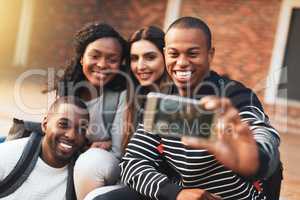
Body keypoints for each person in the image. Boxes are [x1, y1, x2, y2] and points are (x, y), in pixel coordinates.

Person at [99, 17, 281, 200]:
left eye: (192, 54)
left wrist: (255, 158)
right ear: (165, 54)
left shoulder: (236, 96)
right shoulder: (164, 102)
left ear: (210, 54)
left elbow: (263, 135)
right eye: (174, 54)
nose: (182, 62)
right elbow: (133, 163)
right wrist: (176, 193)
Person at [83, 26, 171, 200]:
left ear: (166, 57)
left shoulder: (173, 99)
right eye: (134, 58)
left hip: (164, 185)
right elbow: (118, 153)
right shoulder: (129, 97)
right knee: (92, 163)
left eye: (150, 57)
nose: (140, 66)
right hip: (130, 177)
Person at [51, 22, 128, 200]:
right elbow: (54, 135)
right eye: (95, 55)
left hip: (103, 169)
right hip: (70, 159)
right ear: (81, 58)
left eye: (112, 59)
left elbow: (117, 152)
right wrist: (85, 147)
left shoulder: (121, 95)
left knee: (92, 160)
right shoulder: (66, 89)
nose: (102, 64)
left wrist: (89, 151)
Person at [0, 96, 89, 200]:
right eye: (63, 124)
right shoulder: (7, 155)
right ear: (45, 125)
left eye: (81, 129)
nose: (71, 135)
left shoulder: (82, 175)